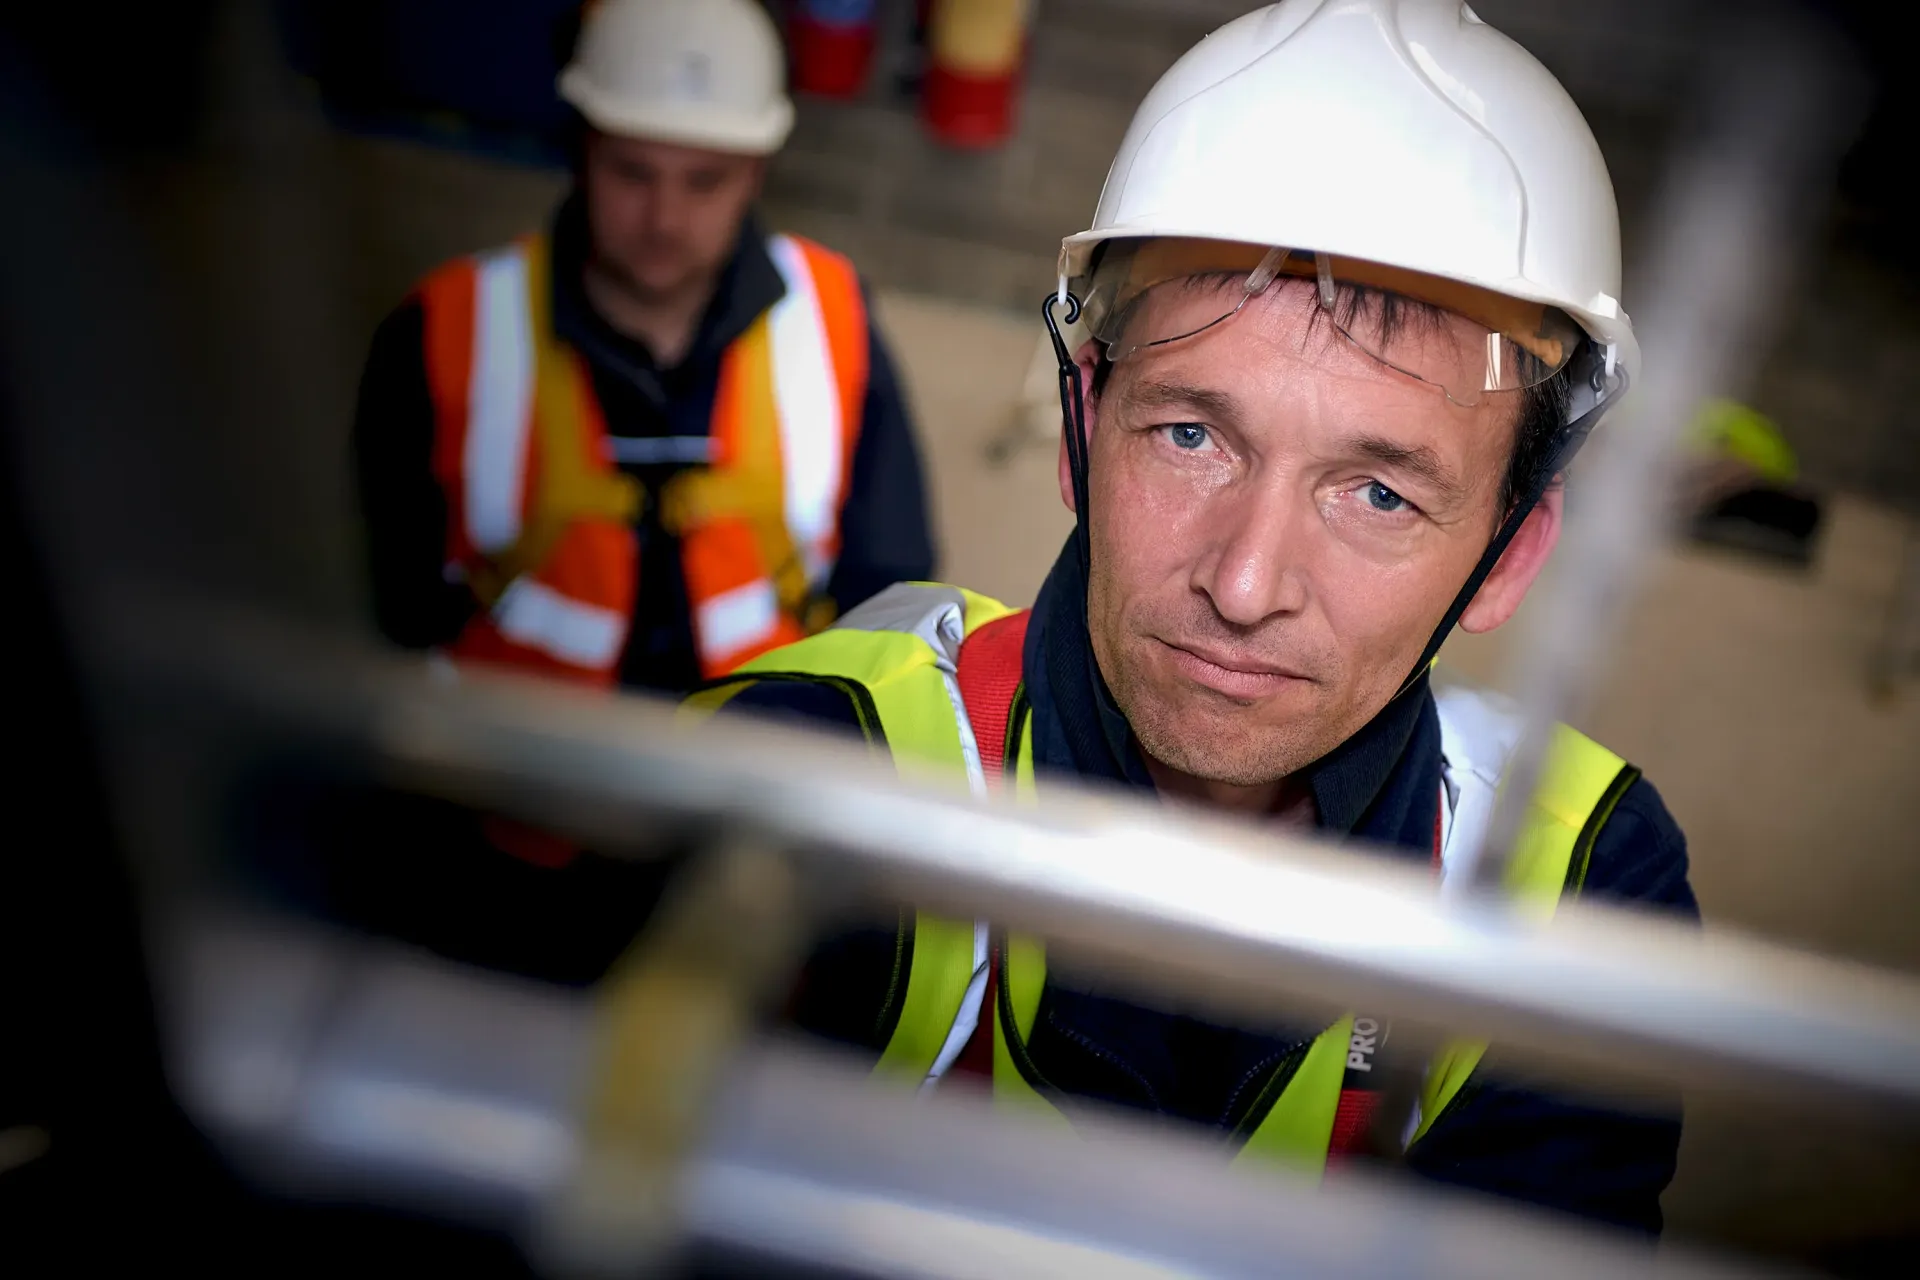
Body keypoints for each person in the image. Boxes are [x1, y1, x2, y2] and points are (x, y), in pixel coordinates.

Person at [687, 0, 1697, 1235]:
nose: (1246, 579)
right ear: (1080, 433)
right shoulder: (800, 773)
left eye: (1378, 491)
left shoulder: (1578, 879)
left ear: (1507, 555)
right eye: (1192, 433)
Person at [352, 0, 935, 698]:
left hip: (755, 786)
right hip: (511, 787)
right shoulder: (445, 331)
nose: (664, 218)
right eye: (632, 172)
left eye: (703, 181)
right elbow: (373, 610)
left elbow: (896, 609)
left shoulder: (836, 326)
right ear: (583, 150)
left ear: (756, 172)